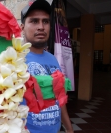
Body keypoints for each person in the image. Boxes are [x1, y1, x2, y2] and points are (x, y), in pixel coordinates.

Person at [20, 0, 74, 133]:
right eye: (34, 21)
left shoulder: (53, 59)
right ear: (22, 28)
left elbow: (60, 98)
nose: (41, 27)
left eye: (45, 21)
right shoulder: (14, 60)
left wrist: (69, 129)